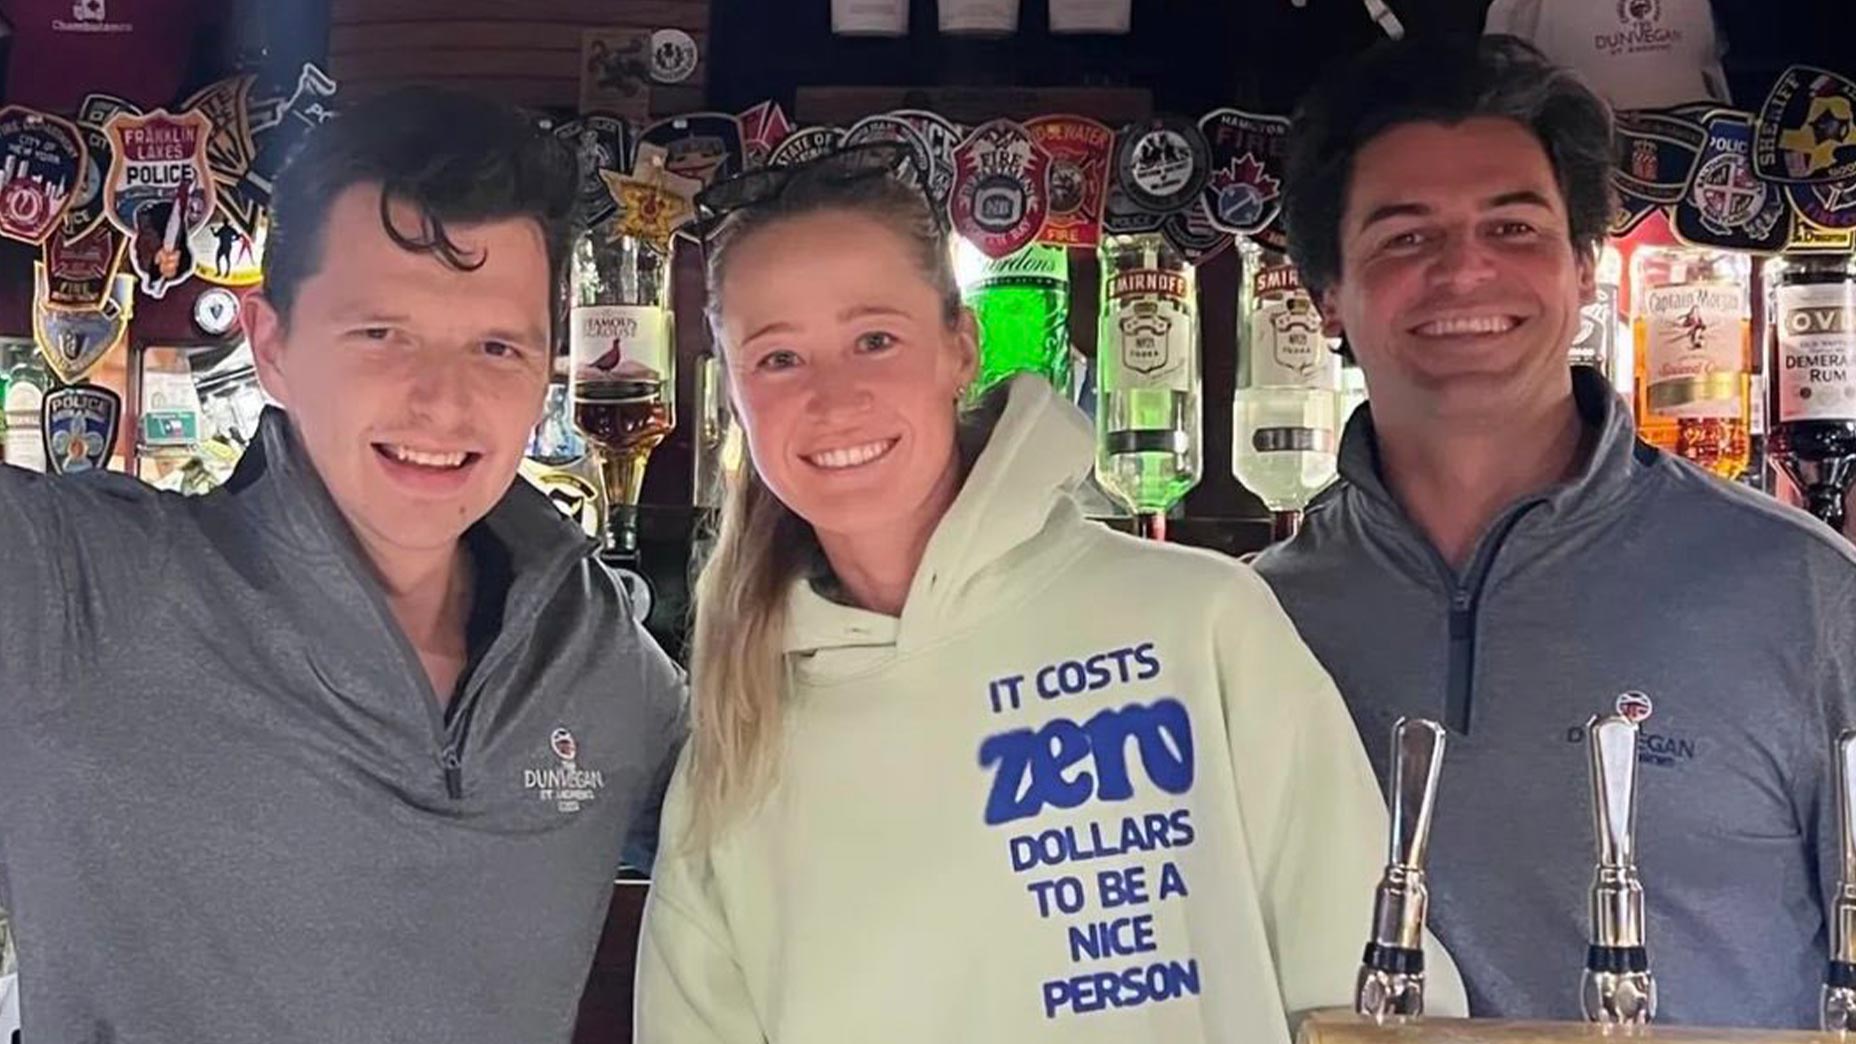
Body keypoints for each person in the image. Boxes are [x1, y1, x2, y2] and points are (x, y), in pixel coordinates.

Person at [633, 148, 1463, 1043]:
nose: (834, 398)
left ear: (961, 346)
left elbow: (1374, 1004)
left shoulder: (1199, 621)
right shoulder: (738, 739)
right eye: (779, 358)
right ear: (731, 391)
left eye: (876, 338)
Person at [0, 87, 685, 1043]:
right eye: (382, 334)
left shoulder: (595, 652)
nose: (442, 403)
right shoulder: (81, 589)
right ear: (270, 348)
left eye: (496, 346)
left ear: (545, 375)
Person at [1254, 34, 1856, 1028]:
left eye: (1513, 227)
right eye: (1404, 236)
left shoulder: (1801, 594)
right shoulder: (1249, 621)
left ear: (1582, 268)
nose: (1463, 271)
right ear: (1326, 295)